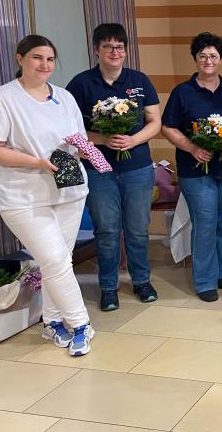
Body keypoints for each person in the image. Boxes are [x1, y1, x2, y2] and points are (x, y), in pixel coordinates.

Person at [0, 35, 94, 356]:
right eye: (36, 58)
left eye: (50, 59)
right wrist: (38, 162)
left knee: (56, 262)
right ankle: (81, 324)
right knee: (55, 259)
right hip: (23, 195)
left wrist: (87, 152)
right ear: (20, 59)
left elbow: (79, 139)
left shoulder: (64, 97)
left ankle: (52, 322)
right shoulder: (3, 98)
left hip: (69, 190)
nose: (44, 65)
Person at [66, 23, 161, 312]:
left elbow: (155, 122)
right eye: (108, 47)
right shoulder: (81, 84)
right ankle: (108, 287)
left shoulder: (139, 80)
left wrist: (132, 139)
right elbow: (72, 130)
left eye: (119, 47)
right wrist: (103, 138)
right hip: (99, 169)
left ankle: (141, 281)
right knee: (106, 230)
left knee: (137, 228)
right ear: (96, 50)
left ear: (125, 50)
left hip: (138, 168)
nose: (114, 52)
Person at [161, 32, 222, 302]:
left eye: (213, 56)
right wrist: (193, 148)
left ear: (221, 59)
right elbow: (167, 127)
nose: (208, 60)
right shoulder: (183, 92)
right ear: (195, 59)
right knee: (205, 222)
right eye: (202, 55)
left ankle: (219, 270)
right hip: (195, 170)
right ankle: (204, 280)